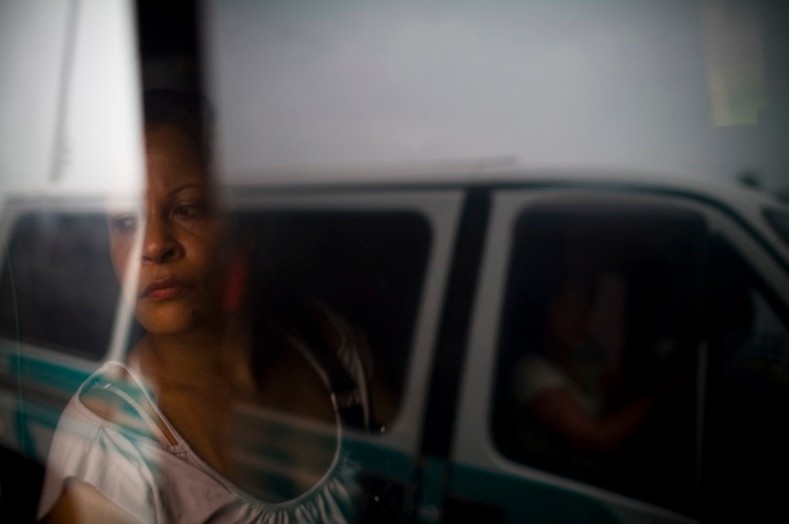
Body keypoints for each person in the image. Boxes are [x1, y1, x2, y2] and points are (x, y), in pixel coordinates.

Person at [37, 90, 371, 523]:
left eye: (187, 208)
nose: (154, 245)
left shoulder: (328, 348)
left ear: (243, 222)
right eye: (125, 221)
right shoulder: (111, 444)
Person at [512, 285, 652, 455]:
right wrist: (655, 400)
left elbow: (616, 393)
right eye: (566, 309)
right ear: (544, 316)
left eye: (584, 309)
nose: (580, 318)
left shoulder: (582, 362)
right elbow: (595, 441)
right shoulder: (530, 370)